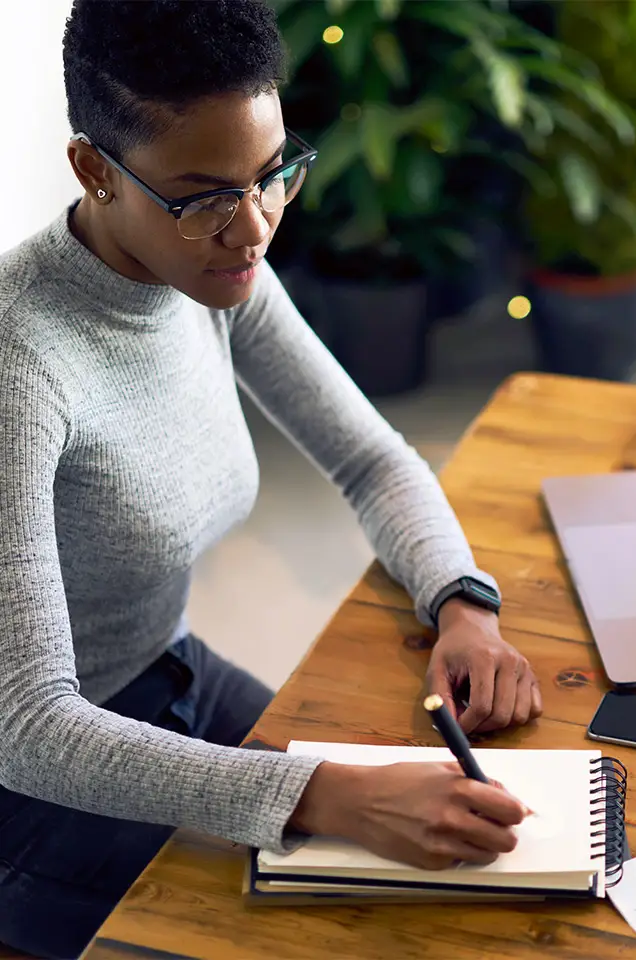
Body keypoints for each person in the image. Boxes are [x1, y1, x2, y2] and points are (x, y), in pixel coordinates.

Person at [0, 2, 543, 956]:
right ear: (94, 170)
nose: (254, 229)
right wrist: (320, 795)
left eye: (272, 175)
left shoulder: (209, 264)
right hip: (35, 788)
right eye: (205, 194)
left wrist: (463, 605)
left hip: (171, 679)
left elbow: (371, 456)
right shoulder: (21, 364)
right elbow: (30, 726)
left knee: (451, 857)